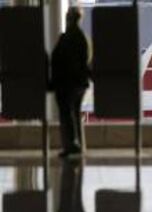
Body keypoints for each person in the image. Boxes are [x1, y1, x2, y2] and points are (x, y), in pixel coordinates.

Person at [51, 6, 92, 158]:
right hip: (78, 83)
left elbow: (61, 60)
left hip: (68, 83)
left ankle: (72, 145)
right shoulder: (81, 37)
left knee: (67, 114)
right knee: (74, 113)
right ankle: (78, 144)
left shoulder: (68, 37)